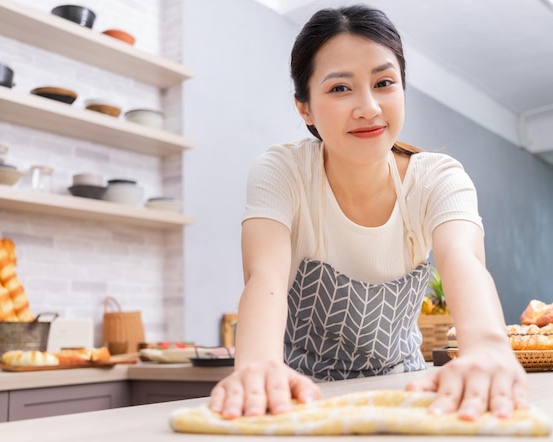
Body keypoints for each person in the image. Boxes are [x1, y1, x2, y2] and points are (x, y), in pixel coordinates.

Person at [208, 4, 527, 422]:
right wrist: (255, 367)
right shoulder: (282, 172)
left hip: (406, 392)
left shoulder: (438, 179)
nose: (369, 107)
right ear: (304, 108)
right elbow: (264, 277)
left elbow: (462, 259)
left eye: (384, 82)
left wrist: (487, 346)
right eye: (341, 88)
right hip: (301, 399)